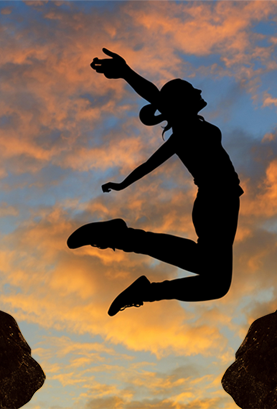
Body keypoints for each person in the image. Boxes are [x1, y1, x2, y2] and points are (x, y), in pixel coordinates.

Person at [68, 48, 243, 316]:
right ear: (181, 101)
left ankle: (127, 250)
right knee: (215, 280)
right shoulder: (185, 128)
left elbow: (150, 160)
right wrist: (126, 72)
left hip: (224, 202)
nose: (198, 90)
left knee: (214, 282)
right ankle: (123, 241)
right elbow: (154, 98)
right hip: (216, 203)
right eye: (190, 88)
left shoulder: (188, 127)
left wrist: (124, 183)